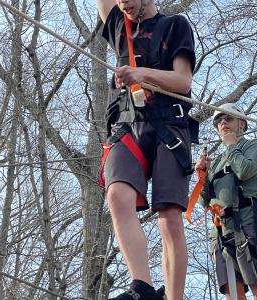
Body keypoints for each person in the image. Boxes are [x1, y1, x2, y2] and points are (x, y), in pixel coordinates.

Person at [97, 0, 196, 299]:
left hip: (169, 126)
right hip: (129, 124)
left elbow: (183, 80)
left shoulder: (174, 26)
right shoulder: (117, 25)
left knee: (169, 215)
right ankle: (142, 286)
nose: (122, 3)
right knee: (117, 195)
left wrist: (143, 75)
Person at [195, 103, 257, 300]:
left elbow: (244, 171)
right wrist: (202, 176)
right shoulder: (219, 161)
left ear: (242, 124)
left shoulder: (253, 146)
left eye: (228, 118)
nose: (223, 122)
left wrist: (232, 146)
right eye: (218, 121)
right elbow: (205, 203)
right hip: (222, 231)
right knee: (232, 290)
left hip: (249, 220)